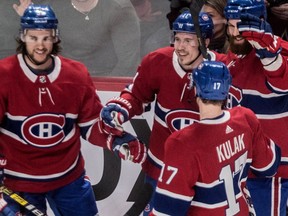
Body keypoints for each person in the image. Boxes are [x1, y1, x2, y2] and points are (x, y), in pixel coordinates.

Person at [0, 4, 146, 216]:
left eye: (46, 38)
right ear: (23, 36)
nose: (40, 45)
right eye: (33, 38)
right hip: (20, 181)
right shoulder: (4, 76)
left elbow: (90, 124)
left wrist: (115, 140)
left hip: (68, 178)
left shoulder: (75, 75)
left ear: (56, 37)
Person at [100, 11, 214, 216]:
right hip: (162, 169)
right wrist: (121, 108)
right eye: (177, 39)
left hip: (206, 174)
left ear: (205, 42)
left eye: (188, 40)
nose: (180, 47)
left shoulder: (222, 70)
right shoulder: (158, 61)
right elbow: (136, 96)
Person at [150, 60, 281, 216]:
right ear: (226, 90)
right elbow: (268, 167)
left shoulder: (182, 142)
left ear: (196, 89)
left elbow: (167, 210)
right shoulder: (245, 117)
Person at [212, 0, 288, 215]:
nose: (235, 32)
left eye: (241, 26)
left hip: (272, 173)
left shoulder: (280, 51)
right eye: (230, 25)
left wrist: (267, 53)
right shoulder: (230, 60)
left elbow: (282, 81)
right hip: (237, 168)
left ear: (260, 23)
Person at [6, 0, 141, 77]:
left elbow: (128, 63)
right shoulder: (54, 7)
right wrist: (31, 20)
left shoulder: (118, 8)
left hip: (105, 78)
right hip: (64, 78)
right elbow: (40, 51)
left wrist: (104, 90)